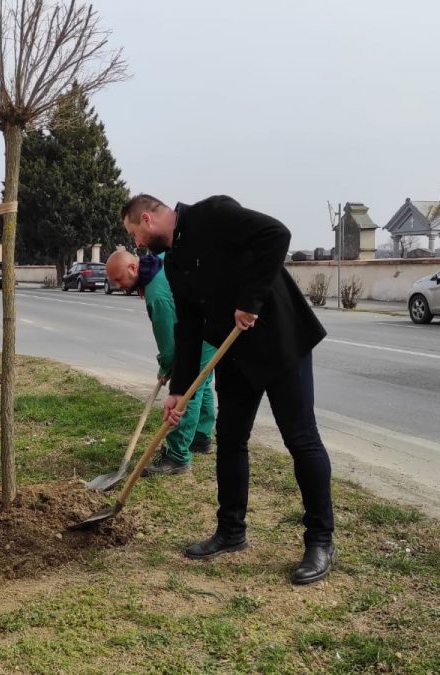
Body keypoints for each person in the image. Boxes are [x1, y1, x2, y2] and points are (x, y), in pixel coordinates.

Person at [121, 194, 336, 585]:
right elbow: (187, 329)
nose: (136, 244)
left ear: (148, 219)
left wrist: (250, 301)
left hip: (280, 343)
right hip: (235, 354)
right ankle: (231, 531)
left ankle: (320, 540)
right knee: (231, 438)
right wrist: (179, 391)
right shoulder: (175, 264)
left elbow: (277, 234)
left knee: (301, 439)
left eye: (135, 234)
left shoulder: (213, 213)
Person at [104, 249, 215, 475]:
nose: (117, 286)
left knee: (187, 390)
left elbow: (169, 345)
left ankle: (177, 457)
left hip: (201, 331)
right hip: (211, 322)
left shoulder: (156, 294)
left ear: (133, 268)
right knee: (202, 380)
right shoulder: (160, 260)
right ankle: (201, 437)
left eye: (118, 279)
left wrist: (167, 367)